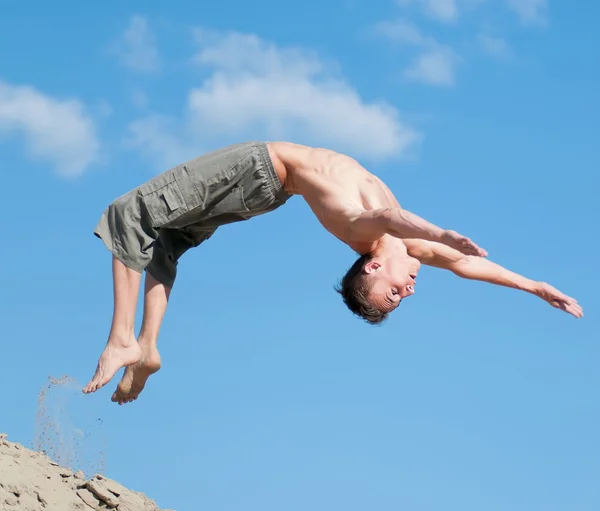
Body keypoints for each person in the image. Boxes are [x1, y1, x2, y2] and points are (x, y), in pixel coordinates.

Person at [83, 141, 583, 403]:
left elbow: (394, 220)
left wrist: (444, 233)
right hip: (267, 188)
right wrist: (534, 286)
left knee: (130, 212)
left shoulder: (362, 227)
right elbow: (470, 266)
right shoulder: (408, 247)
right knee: (167, 237)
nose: (407, 292)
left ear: (373, 265)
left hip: (261, 167)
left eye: (392, 295)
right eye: (399, 297)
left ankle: (122, 337)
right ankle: (147, 346)